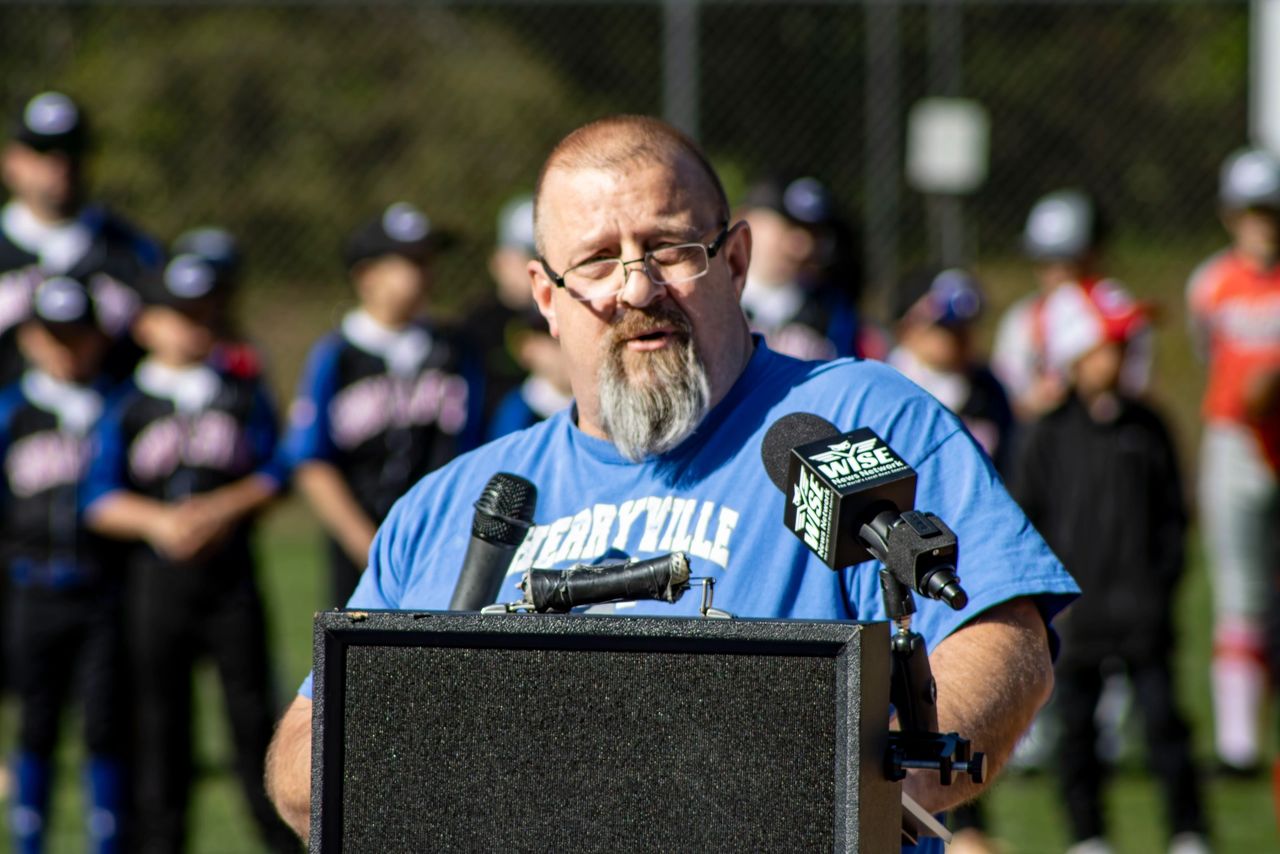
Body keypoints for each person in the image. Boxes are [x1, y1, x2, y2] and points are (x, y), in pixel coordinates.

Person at [265, 115, 1079, 852]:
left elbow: (1003, 637)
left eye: (669, 250)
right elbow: (303, 772)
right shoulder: (451, 508)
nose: (636, 288)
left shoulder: (856, 419)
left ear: (735, 260)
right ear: (545, 297)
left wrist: (855, 798)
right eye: (596, 261)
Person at [81, 254, 297, 853]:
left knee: (253, 719)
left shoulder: (238, 392)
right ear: (146, 324)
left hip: (229, 579)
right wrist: (159, 520)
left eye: (203, 313)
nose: (192, 326)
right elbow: (96, 496)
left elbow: (278, 470)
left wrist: (222, 509)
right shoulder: (127, 404)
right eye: (177, 314)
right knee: (160, 726)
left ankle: (279, 840)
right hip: (156, 583)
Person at [1014, 284, 1208, 854]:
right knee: (1078, 730)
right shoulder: (1047, 435)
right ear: (1076, 354)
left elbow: (1174, 516)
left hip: (1142, 609)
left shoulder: (1149, 426)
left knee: (1165, 723)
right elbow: (1030, 520)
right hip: (1078, 617)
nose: (1120, 359)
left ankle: (1187, 830)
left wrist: (1163, 582)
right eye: (1109, 346)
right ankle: (1087, 834)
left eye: (1126, 346)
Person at [279, 202, 485, 607]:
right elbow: (311, 462)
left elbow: (475, 448)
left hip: (444, 543)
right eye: (407, 261)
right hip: (359, 545)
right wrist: (368, 546)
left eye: (427, 259)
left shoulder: (456, 349)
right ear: (367, 275)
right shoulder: (337, 356)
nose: (423, 271)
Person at [1, 276, 126, 854]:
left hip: (100, 589)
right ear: (28, 339)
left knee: (103, 723)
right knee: (37, 721)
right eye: (52, 336)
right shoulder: (14, 411)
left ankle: (106, 838)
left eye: (76, 336)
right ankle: (29, 840)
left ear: (98, 339)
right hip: (32, 587)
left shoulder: (116, 407)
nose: (64, 349)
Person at [1186, 146, 1280, 777]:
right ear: (1229, 214)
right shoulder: (1211, 281)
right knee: (1238, 592)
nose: (1262, 222)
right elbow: (1207, 357)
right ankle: (1239, 743)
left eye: (1269, 209)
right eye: (1250, 210)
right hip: (1234, 440)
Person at [0, 91, 159, 386]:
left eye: (71, 149)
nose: (60, 164)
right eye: (43, 150)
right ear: (11, 161)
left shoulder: (131, 252)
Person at [991, 189, 1152, 420]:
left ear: (1092, 256)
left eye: (1067, 262)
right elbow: (1009, 398)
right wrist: (1035, 401)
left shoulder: (1117, 308)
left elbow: (1137, 386)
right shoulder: (1023, 318)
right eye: (1046, 263)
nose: (1055, 274)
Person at [887, 267, 1014, 473]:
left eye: (966, 325)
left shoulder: (988, 390)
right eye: (944, 327)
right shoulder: (888, 390)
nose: (959, 337)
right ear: (907, 329)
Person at [737, 176, 877, 361]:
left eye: (814, 234)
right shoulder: (712, 298)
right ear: (745, 220)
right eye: (787, 228)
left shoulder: (832, 311)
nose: (802, 247)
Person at [466, 193, 545, 421]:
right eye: (528, 255)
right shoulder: (477, 327)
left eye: (544, 255)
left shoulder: (567, 313)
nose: (536, 265)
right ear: (499, 260)